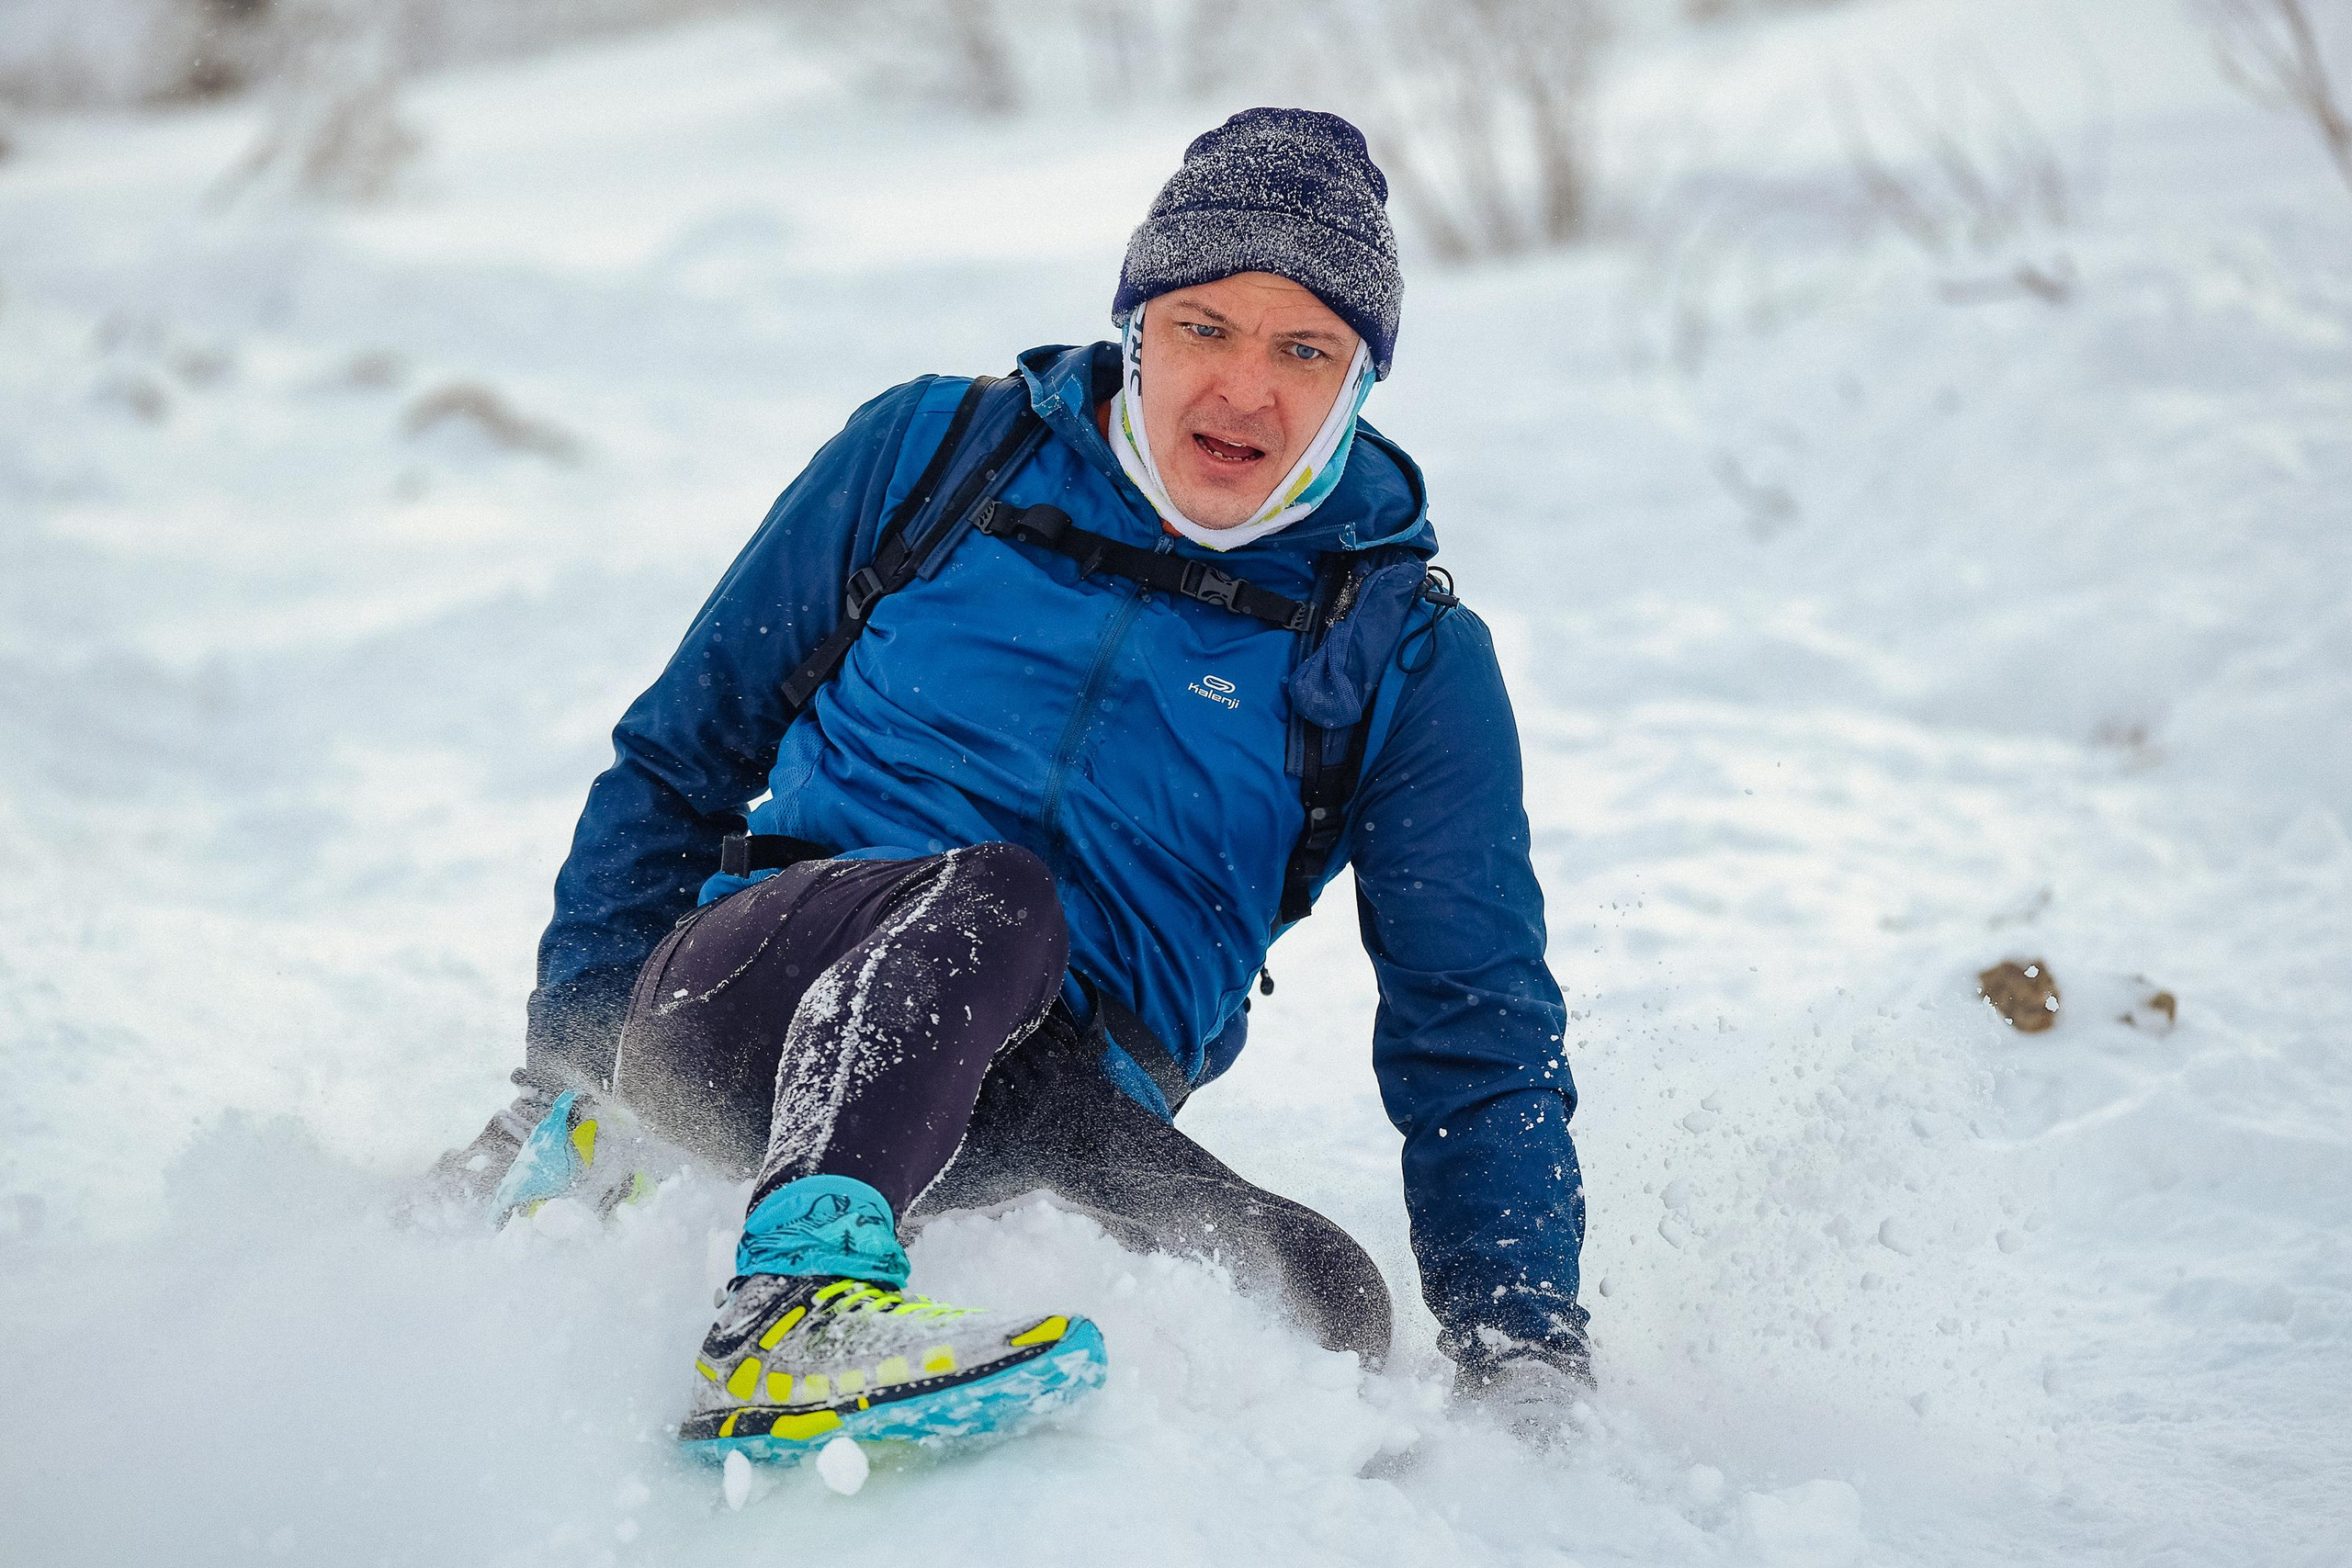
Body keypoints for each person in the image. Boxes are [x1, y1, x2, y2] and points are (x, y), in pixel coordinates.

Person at [424, 107, 1591, 1462]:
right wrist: (566, 1067)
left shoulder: (1402, 655)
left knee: (1321, 1299)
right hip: (755, 998)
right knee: (995, 901)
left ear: (1358, 384)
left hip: (1050, 1100)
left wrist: (1526, 1350)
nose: (1245, 391)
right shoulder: (934, 457)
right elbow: (682, 752)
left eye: (1304, 350)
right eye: (1207, 327)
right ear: (1137, 325)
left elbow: (1477, 1025)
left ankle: (882, 1267)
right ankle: (792, 1310)